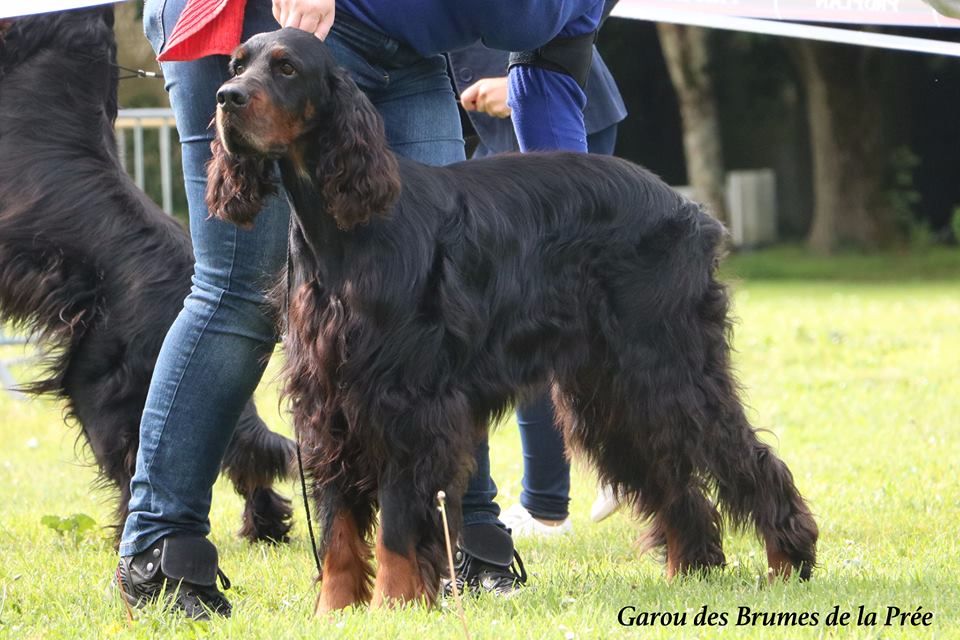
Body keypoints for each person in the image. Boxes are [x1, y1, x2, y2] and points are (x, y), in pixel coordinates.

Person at [118, 0, 606, 619]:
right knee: (240, 294)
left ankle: (464, 538)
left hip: (400, 40)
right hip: (266, 14)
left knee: (441, 290)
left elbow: (551, 46)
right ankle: (159, 548)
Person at [448, 39, 626, 538]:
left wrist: (519, 80)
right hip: (506, 130)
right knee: (531, 313)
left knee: (530, 314)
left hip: (552, 107)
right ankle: (604, 458)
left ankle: (550, 503)